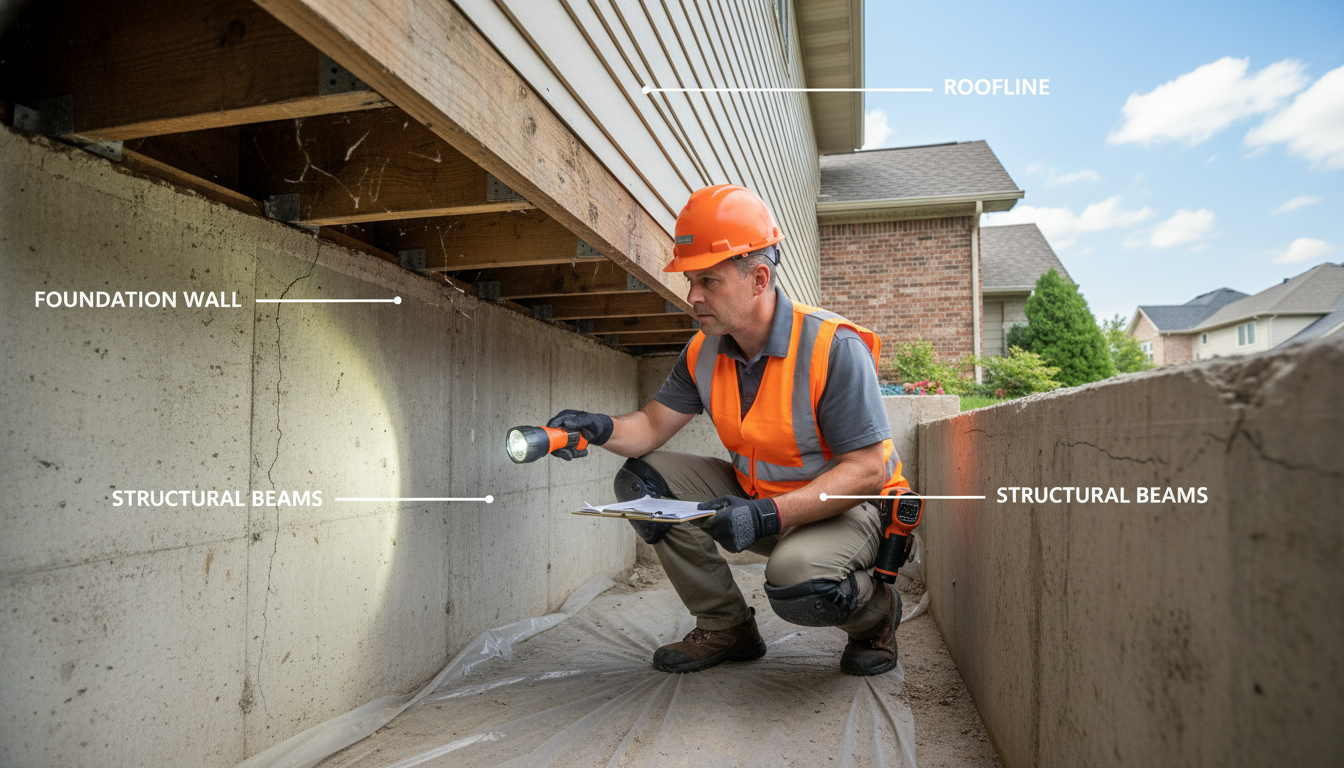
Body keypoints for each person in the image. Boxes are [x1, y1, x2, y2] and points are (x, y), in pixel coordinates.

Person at [546, 184, 910, 676]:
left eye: (709, 281)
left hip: (848, 510)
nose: (693, 296)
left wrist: (764, 517)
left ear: (759, 278)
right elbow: (652, 426)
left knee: (797, 582)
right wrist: (598, 427)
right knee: (643, 480)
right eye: (691, 280)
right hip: (759, 501)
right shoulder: (704, 350)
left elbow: (867, 471)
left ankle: (876, 618)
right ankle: (727, 625)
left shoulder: (831, 346)